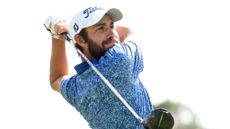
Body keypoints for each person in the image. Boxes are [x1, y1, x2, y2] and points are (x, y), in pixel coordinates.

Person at [47, 4, 153, 129]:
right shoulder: (120, 58)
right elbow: (128, 31)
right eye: (101, 28)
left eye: (112, 26)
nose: (112, 33)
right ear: (81, 40)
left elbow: (56, 79)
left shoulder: (78, 88)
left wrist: (56, 37)